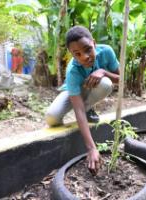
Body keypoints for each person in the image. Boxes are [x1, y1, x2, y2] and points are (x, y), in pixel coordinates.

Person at [45, 25, 119, 175]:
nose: (84, 57)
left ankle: (89, 107)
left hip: (95, 87)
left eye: (87, 49)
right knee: (51, 117)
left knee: (106, 83)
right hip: (73, 92)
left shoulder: (106, 52)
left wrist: (103, 72)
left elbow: (121, 79)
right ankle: (86, 110)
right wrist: (91, 148)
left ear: (94, 43)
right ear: (72, 54)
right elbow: (77, 109)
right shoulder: (73, 71)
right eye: (77, 54)